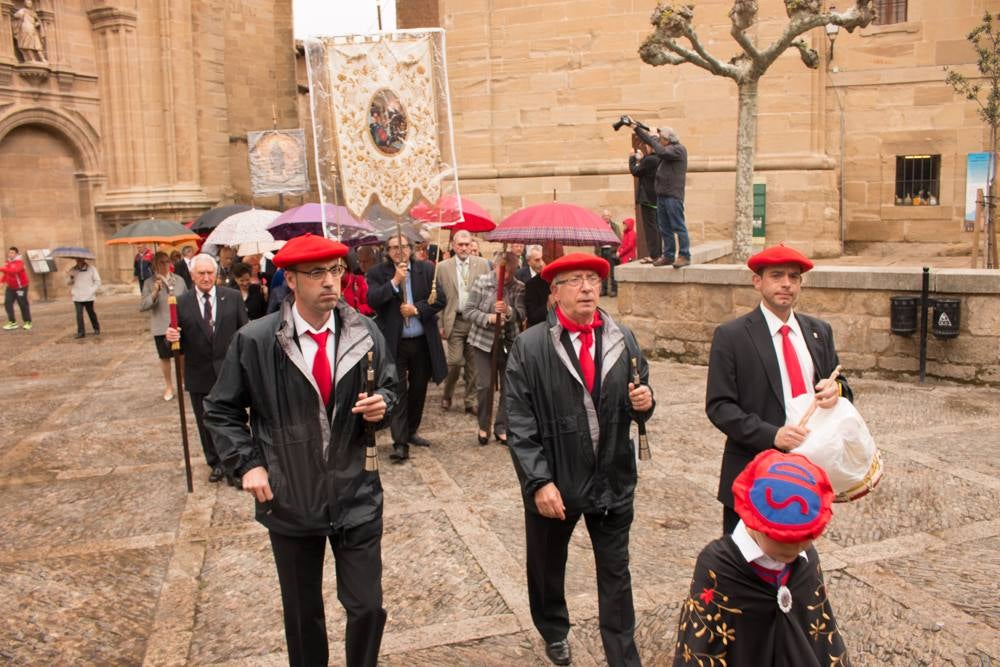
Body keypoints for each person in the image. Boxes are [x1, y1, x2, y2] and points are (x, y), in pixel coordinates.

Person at [204, 234, 398, 667]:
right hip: (289, 496)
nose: (331, 282)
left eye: (337, 271)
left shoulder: (365, 331)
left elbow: (389, 387)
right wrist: (248, 464)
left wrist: (384, 406)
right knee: (303, 613)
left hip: (357, 492)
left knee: (368, 606)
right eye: (317, 273)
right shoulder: (256, 341)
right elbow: (220, 410)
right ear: (289, 280)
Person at [505, 253, 654, 666]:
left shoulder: (623, 337)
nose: (587, 287)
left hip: (613, 478)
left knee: (616, 574)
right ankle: (554, 629)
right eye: (575, 280)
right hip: (558, 483)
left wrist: (645, 402)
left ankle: (622, 655)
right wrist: (539, 483)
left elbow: (640, 390)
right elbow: (518, 421)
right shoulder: (530, 346)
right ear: (554, 292)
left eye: (593, 279)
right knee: (548, 567)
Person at [706, 244, 852, 535]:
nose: (786, 283)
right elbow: (719, 407)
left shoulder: (819, 332)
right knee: (743, 566)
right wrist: (772, 435)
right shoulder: (732, 336)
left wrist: (836, 390)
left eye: (794, 277)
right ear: (757, 281)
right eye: (776, 275)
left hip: (807, 471)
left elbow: (843, 386)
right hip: (753, 472)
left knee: (796, 563)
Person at [673, 449, 849, 666]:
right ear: (752, 521)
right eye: (780, 539)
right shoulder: (718, 566)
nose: (792, 548)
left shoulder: (807, 561)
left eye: (804, 539)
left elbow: (821, 639)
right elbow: (702, 648)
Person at [165, 254, 248, 484]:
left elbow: (245, 332)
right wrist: (170, 336)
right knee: (206, 422)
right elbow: (172, 341)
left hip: (229, 371)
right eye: (201, 273)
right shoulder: (181, 303)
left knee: (233, 418)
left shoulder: (231, 298)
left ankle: (237, 463)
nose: (206, 277)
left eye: (210, 273)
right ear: (192, 276)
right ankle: (216, 462)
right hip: (198, 373)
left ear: (216, 274)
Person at [366, 234, 447, 462]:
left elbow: (440, 299)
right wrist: (394, 281)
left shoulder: (426, 270)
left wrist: (416, 309)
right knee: (398, 391)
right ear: (387, 251)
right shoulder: (377, 273)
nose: (398, 251)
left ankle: (412, 430)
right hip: (395, 343)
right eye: (393, 248)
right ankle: (400, 442)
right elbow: (372, 299)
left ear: (411, 249)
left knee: (419, 388)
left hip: (422, 341)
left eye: (402, 246)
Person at [463, 251, 524, 445]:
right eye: (503, 271)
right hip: (483, 342)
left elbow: (521, 314)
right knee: (485, 385)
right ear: (495, 266)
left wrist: (508, 311)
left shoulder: (518, 287)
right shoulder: (482, 282)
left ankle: (501, 426)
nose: (506, 276)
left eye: (511, 272)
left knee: (509, 387)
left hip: (508, 342)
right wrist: (488, 318)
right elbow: (468, 311)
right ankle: (483, 425)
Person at [437, 230, 490, 414]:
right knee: (454, 362)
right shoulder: (443, 267)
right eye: (460, 244)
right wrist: (441, 324)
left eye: (467, 244)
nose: (464, 248)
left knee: (473, 365)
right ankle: (447, 394)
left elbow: (489, 292)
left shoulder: (483, 265)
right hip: (455, 320)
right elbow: (439, 299)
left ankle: (470, 400)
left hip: (476, 321)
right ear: (453, 246)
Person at [634, 124, 691, 268]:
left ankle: (684, 255)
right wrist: (636, 128)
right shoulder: (666, 149)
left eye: (661, 140)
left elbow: (660, 151)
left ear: (667, 139)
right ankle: (669, 256)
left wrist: (653, 137)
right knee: (665, 228)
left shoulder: (678, 149)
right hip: (662, 196)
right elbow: (653, 144)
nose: (659, 143)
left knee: (678, 226)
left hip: (673, 195)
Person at [140, 252, 187, 400]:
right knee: (165, 357)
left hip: (178, 323)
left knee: (181, 355)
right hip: (160, 324)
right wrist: (154, 292)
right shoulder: (149, 282)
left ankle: (183, 381)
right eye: (161, 262)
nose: (165, 265)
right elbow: (143, 306)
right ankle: (169, 386)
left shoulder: (178, 280)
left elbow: (187, 298)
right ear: (155, 264)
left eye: (167, 261)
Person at [629, 139, 661, 262]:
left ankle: (654, 255)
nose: (646, 148)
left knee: (650, 228)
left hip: (647, 198)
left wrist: (632, 158)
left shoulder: (650, 159)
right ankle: (658, 254)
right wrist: (642, 160)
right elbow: (646, 170)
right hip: (656, 197)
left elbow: (635, 171)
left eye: (647, 146)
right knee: (657, 227)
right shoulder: (659, 158)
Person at [66, 258, 101, 338]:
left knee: (91, 313)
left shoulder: (92, 269)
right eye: (77, 260)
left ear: (83, 260)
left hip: (88, 296)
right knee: (79, 314)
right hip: (77, 295)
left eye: (80, 260)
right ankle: (81, 332)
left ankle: (96, 328)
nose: (78, 261)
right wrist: (70, 278)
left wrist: (91, 290)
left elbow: (98, 281)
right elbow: (68, 283)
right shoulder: (73, 270)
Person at [2, 247, 31, 330]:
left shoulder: (19, 263)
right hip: (11, 287)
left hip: (20, 287)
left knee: (22, 304)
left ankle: (27, 322)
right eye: (9, 252)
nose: (10, 254)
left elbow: (13, 271)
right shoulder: (8, 262)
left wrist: (1, 268)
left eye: (12, 253)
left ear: (16, 254)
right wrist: (1, 282)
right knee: (7, 303)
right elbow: (6, 274)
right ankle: (12, 322)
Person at [340, 250, 374, 317]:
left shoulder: (358, 280)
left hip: (357, 321)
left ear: (345, 264)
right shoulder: (329, 283)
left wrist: (357, 310)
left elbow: (370, 305)